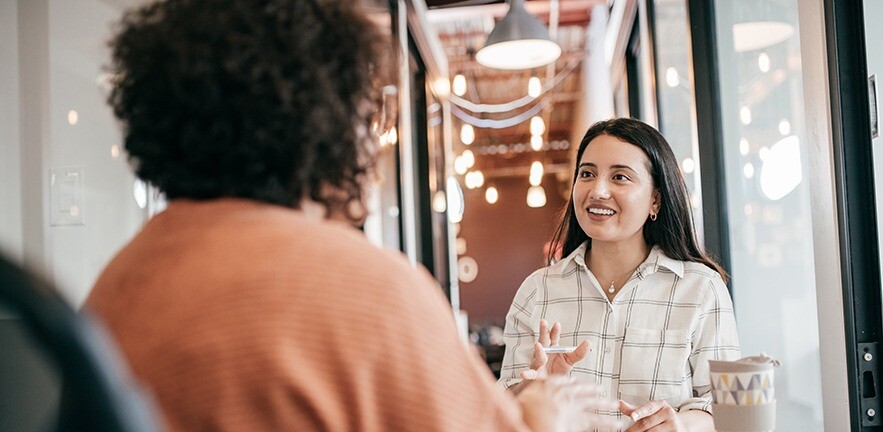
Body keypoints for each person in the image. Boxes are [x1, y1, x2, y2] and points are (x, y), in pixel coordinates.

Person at [85, 1, 622, 431]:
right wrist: (552, 414)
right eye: (367, 107)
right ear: (323, 120)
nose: (373, 132)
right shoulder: (363, 288)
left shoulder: (117, 284)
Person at [499, 118, 741, 432]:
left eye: (620, 177)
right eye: (587, 174)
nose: (597, 190)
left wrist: (679, 424)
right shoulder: (537, 291)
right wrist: (532, 394)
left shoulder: (701, 290)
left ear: (655, 198)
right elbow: (502, 408)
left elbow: (727, 407)